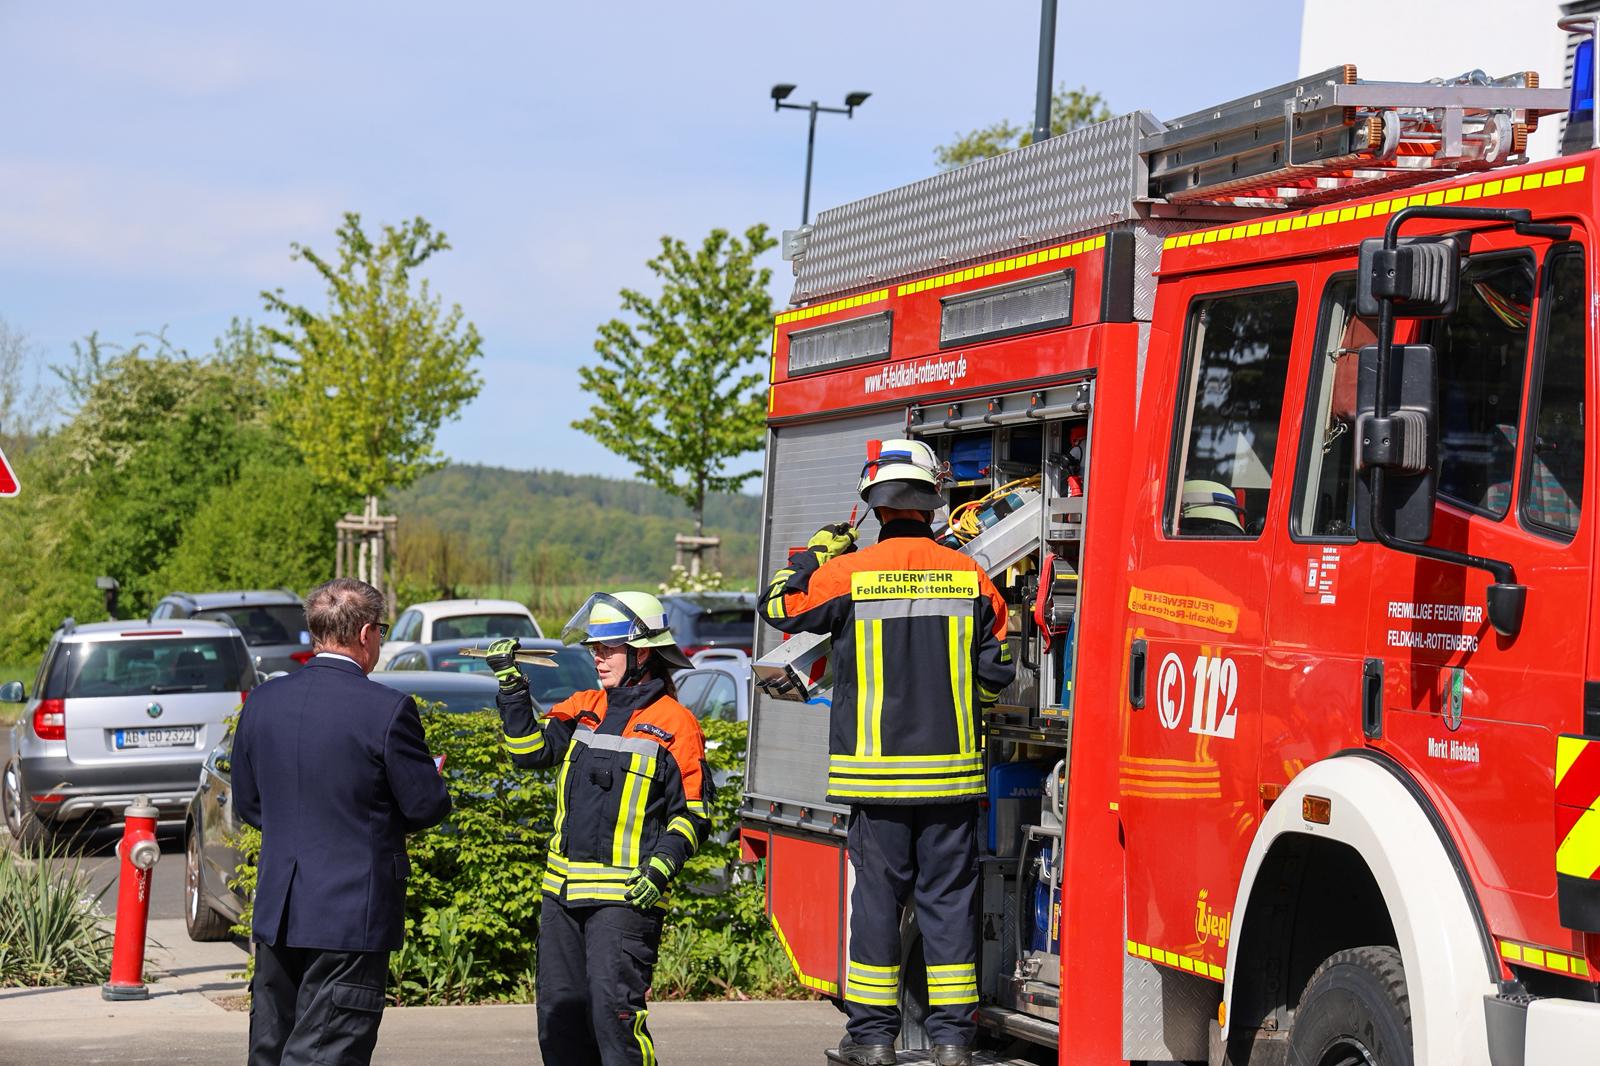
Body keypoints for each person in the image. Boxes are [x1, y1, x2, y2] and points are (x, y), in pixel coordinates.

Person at [759, 439, 1015, 1066]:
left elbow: (776, 608)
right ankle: (953, 1040)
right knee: (949, 903)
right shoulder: (969, 576)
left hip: (874, 780)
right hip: (951, 779)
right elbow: (998, 672)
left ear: (874, 505)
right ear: (931, 503)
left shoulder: (849, 574)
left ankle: (872, 1040)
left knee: (877, 903)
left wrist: (817, 551)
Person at [488, 590, 712, 1066]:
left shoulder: (676, 724)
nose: (597, 656)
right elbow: (529, 753)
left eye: (608, 647)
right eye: (594, 647)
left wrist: (660, 868)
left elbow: (693, 813)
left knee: (615, 1020)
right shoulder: (583, 705)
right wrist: (512, 685)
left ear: (642, 652)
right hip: (562, 897)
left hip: (626, 901)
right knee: (559, 1018)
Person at [233, 578, 452, 1066]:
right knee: (327, 1053)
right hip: (351, 913)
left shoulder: (263, 702)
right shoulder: (387, 709)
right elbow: (425, 806)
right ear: (368, 634)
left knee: (269, 1050)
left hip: (279, 911)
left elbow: (249, 803)